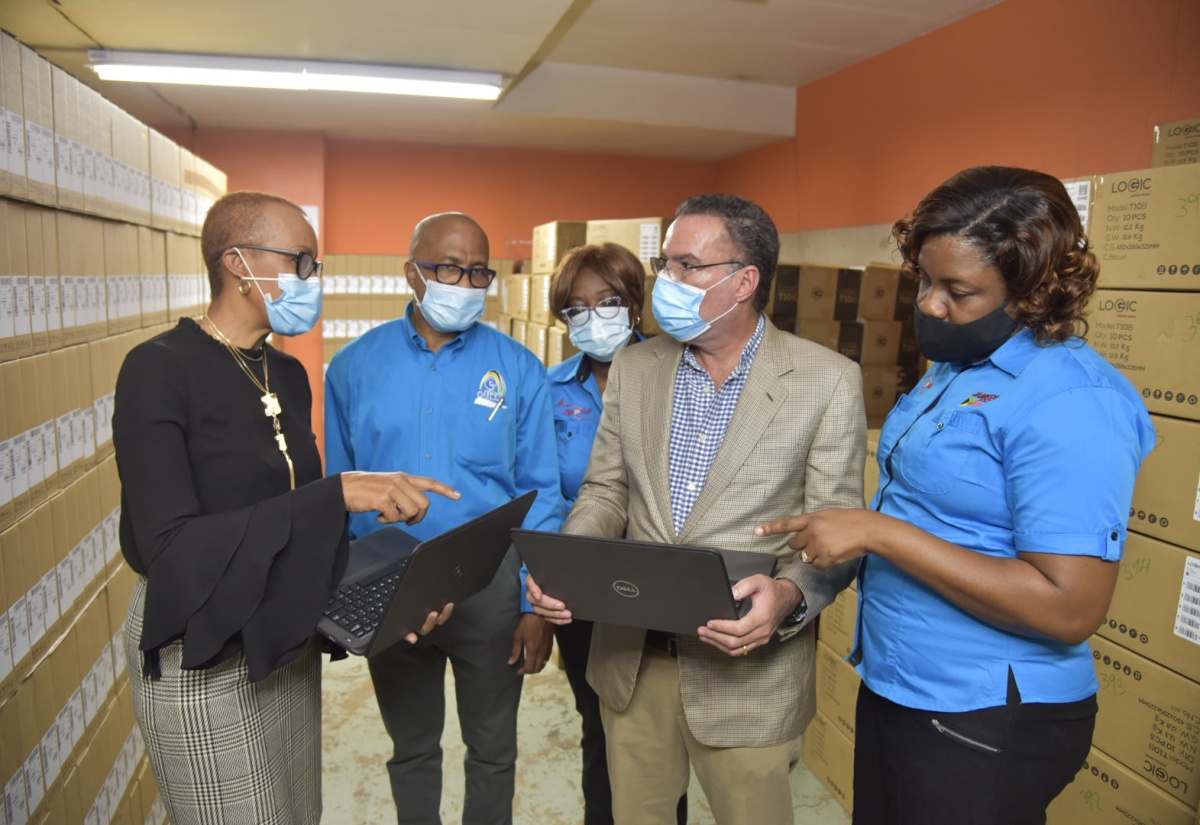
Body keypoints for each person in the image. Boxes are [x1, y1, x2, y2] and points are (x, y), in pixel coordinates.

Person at [756, 166, 1157, 825]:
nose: (930, 306)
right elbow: (920, 503)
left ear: (1032, 291)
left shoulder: (1073, 399)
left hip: (985, 711)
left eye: (959, 290)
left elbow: (1069, 605)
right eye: (926, 280)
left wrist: (878, 532)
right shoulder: (959, 366)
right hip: (904, 683)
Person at [113, 191, 458, 825]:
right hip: (204, 651)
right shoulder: (157, 371)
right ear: (239, 263)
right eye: (301, 260)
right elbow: (171, 552)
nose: (313, 279)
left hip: (282, 641)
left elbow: (295, 531)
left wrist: (386, 604)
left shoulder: (287, 374)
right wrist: (339, 493)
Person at [529, 194, 867, 825]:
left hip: (745, 674)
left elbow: (838, 534)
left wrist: (789, 598)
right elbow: (606, 490)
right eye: (666, 265)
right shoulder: (636, 367)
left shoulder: (827, 381)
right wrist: (570, 562)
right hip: (631, 662)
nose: (667, 283)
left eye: (688, 266)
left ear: (744, 281)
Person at [324, 211, 565, 825]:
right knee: (412, 749)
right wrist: (353, 591)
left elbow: (544, 493)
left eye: (478, 270)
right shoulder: (353, 367)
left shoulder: (519, 370)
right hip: (391, 584)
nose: (465, 283)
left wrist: (537, 606)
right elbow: (338, 490)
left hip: (491, 586)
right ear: (412, 273)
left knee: (492, 750)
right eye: (449, 268)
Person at [547, 243, 686, 825]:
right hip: (583, 587)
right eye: (576, 308)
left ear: (634, 303)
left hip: (660, 583)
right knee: (599, 725)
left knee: (660, 734)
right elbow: (545, 488)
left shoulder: (679, 373)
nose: (592, 317)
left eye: (606, 302)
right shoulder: (550, 389)